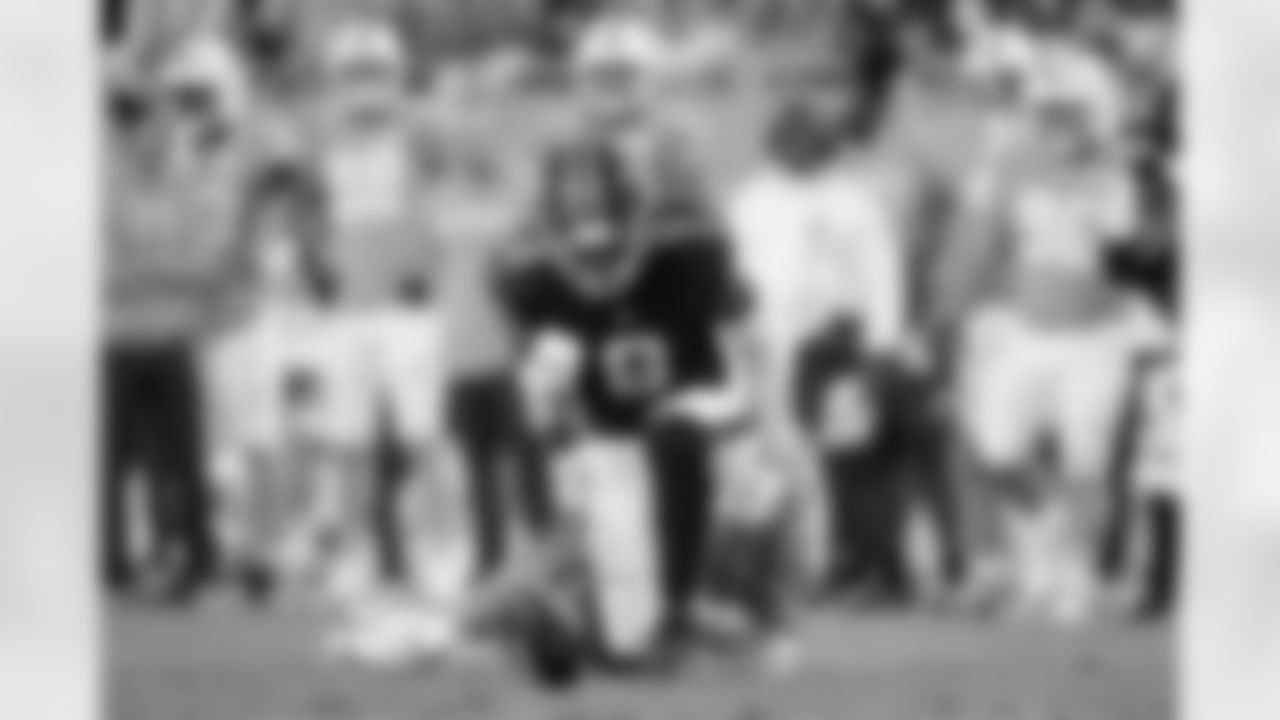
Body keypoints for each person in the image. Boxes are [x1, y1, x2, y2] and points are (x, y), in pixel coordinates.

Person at [499, 139, 759, 673]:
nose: (583, 201)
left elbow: (741, 318)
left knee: (679, 433)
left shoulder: (683, 250)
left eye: (593, 184)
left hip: (701, 428)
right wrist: (562, 489)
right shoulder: (538, 277)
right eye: (570, 186)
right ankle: (570, 616)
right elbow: (542, 410)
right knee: (626, 640)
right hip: (613, 447)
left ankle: (696, 605)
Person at [952, 94, 1166, 624]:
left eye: (1068, 119)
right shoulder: (1015, 170)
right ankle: (1047, 529)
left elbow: (1138, 255)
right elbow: (985, 244)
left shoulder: (1119, 176)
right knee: (995, 450)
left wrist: (1120, 221)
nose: (1057, 130)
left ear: (1091, 123)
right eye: (1049, 119)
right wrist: (967, 307)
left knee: (1084, 463)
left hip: (1095, 338)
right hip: (1025, 332)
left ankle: (1074, 578)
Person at [724, 89, 913, 601]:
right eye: (790, 136)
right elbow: (732, 274)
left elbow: (882, 272)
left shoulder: (852, 199)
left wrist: (883, 342)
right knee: (779, 462)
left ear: (827, 144)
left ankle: (877, 567)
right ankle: (798, 566)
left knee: (852, 458)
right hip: (765, 348)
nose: (799, 145)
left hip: (835, 345)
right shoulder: (751, 199)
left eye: (811, 137)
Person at [299, 19, 454, 600]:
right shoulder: (321, 140)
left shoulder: (422, 134)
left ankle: (442, 553)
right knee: (350, 442)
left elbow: (452, 201)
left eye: (373, 71)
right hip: (345, 309)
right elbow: (311, 215)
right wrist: (317, 268)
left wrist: (430, 266)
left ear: (395, 75)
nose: (364, 84)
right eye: (353, 72)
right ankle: (356, 555)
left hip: (406, 308)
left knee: (422, 436)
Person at [103, 34, 253, 603]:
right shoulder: (106, 189)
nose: (146, 132)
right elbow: (106, 271)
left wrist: (148, 267)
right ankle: (112, 566)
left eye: (154, 120)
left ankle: (195, 560)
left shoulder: (185, 185)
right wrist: (165, 268)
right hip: (117, 342)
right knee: (111, 467)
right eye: (136, 121)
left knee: (184, 462)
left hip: (171, 340)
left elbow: (206, 266)